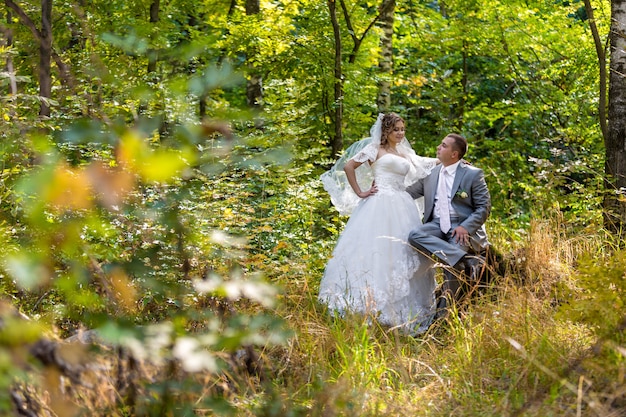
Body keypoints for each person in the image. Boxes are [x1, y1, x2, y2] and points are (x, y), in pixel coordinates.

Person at [318, 113, 439, 334]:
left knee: (404, 251)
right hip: (379, 204)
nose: (400, 133)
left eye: (403, 129)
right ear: (385, 131)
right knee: (375, 251)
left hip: (402, 204)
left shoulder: (403, 151)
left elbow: (423, 162)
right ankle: (371, 307)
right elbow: (348, 167)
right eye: (396, 130)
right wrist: (360, 192)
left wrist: (449, 160)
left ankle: (402, 310)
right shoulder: (374, 148)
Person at [406, 133, 491, 315]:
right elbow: (409, 192)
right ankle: (464, 259)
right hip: (436, 225)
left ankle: (444, 316)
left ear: (454, 154)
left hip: (461, 228)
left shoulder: (472, 174)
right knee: (415, 235)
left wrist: (466, 227)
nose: (438, 147)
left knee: (451, 266)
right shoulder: (431, 174)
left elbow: (484, 207)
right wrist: (384, 188)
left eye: (443, 145)